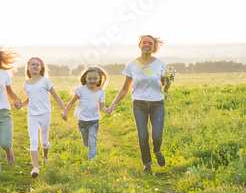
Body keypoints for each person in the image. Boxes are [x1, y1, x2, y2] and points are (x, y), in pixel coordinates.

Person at [107, 34, 169, 173]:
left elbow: (164, 85)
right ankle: (147, 164)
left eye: (150, 43)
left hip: (157, 104)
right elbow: (124, 89)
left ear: (153, 47)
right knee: (143, 136)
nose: (147, 45)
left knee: (157, 137)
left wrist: (168, 83)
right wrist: (114, 103)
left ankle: (157, 152)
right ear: (140, 45)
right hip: (139, 105)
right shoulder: (132, 65)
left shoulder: (160, 64)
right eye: (144, 42)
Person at [16, 57, 67, 178]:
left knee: (44, 142)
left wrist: (64, 110)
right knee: (33, 140)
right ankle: (35, 168)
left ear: (41, 68)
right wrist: (21, 105)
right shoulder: (26, 83)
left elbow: (55, 96)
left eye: (37, 65)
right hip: (32, 115)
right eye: (32, 64)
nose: (34, 66)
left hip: (45, 115)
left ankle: (45, 157)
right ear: (28, 67)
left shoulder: (45, 81)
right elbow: (30, 98)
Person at [62, 66, 108, 162]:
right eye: (90, 79)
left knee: (92, 142)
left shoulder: (100, 92)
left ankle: (92, 161)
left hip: (94, 121)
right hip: (82, 121)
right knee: (86, 142)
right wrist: (65, 112)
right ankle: (86, 144)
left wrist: (107, 110)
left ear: (99, 79)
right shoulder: (81, 90)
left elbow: (102, 107)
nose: (92, 81)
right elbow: (71, 102)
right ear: (85, 78)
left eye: (95, 79)